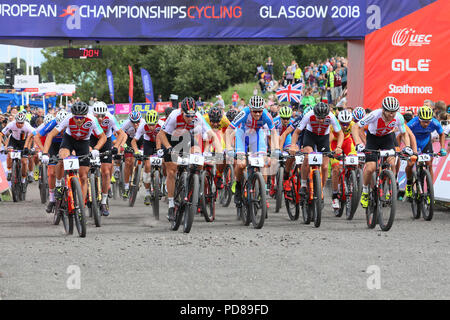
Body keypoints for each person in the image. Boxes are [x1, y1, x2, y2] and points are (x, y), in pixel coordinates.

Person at [156, 97, 222, 221]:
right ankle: (171, 205)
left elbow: (211, 134)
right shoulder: (174, 116)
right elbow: (161, 134)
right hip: (171, 139)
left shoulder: (198, 117)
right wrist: (169, 147)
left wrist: (219, 152)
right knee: (171, 171)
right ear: (182, 112)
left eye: (193, 115)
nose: (191, 118)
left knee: (198, 159)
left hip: (187, 137)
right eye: (188, 116)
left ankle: (194, 184)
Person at [41, 101, 107, 207]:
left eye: (81, 118)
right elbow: (50, 135)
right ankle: (58, 184)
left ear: (86, 115)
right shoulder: (68, 118)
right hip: (69, 140)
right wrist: (45, 153)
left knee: (84, 177)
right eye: (76, 117)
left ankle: (81, 206)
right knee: (62, 158)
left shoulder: (92, 120)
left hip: (84, 142)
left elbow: (103, 137)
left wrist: (96, 149)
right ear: (73, 115)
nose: (79, 120)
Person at [352, 96, 412, 208]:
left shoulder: (398, 117)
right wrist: (358, 143)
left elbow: (404, 134)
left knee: (391, 162)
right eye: (389, 112)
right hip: (373, 139)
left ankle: (389, 186)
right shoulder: (375, 114)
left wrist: (408, 146)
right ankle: (365, 191)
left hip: (387, 138)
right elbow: (355, 127)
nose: (392, 114)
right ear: (383, 110)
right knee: (370, 168)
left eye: (394, 112)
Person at [225, 95, 279, 206]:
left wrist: (276, 148)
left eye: (259, 111)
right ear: (250, 109)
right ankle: (239, 186)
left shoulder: (267, 115)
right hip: (242, 136)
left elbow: (273, 133)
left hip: (257, 136)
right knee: (241, 164)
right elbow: (228, 130)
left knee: (263, 163)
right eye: (255, 111)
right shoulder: (244, 113)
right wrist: (229, 147)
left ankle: (262, 193)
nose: (257, 114)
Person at [289, 103, 344, 197]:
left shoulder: (331, 116)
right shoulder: (308, 115)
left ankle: (320, 188)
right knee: (307, 157)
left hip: (323, 138)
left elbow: (340, 134)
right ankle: (303, 184)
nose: (321, 120)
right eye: (319, 118)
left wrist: (338, 147)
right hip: (310, 136)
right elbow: (296, 132)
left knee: (325, 166)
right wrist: (293, 145)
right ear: (314, 114)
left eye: (323, 118)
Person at [91, 101, 126, 216]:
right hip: (91, 138)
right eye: (98, 116)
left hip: (106, 139)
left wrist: (116, 146)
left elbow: (121, 134)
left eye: (102, 116)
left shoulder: (110, 117)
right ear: (93, 113)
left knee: (106, 172)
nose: (100, 119)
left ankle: (104, 202)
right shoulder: (89, 117)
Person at [404, 106, 447, 200]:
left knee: (429, 164)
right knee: (410, 164)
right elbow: (404, 133)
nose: (426, 123)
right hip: (413, 142)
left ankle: (430, 191)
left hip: (425, 143)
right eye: (424, 121)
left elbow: (442, 134)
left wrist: (442, 148)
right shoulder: (413, 123)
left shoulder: (435, 122)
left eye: (428, 121)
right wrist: (407, 147)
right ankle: (409, 183)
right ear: (419, 119)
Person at [34, 110, 69, 213]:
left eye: (64, 127)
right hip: (53, 146)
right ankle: (52, 199)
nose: (62, 129)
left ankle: (70, 188)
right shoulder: (52, 123)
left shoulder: (71, 123)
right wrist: (44, 151)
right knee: (52, 172)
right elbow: (37, 137)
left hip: (66, 144)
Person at [132, 110, 161, 206]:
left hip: (160, 141)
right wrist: (136, 151)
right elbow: (133, 141)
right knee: (147, 166)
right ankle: (148, 192)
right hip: (148, 142)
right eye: (149, 125)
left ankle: (163, 183)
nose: (151, 127)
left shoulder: (162, 124)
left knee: (165, 162)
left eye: (153, 124)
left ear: (157, 122)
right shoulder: (142, 126)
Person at [330, 109, 357, 210]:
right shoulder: (332, 125)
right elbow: (329, 137)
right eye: (342, 124)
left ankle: (351, 179)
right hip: (334, 144)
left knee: (355, 160)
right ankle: (335, 195)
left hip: (347, 142)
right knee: (336, 169)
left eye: (347, 124)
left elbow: (356, 135)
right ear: (338, 121)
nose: (345, 126)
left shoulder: (353, 124)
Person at [0, 112, 37, 184]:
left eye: (21, 123)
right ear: (15, 121)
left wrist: (34, 147)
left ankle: (23, 178)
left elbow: (35, 136)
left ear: (24, 122)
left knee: (24, 162)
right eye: (18, 123)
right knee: (9, 154)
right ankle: (10, 171)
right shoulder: (11, 124)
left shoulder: (27, 126)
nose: (20, 125)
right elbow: (1, 134)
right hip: (13, 141)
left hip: (24, 142)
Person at [120, 110, 146, 198]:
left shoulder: (144, 123)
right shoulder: (126, 124)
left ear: (140, 120)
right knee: (128, 162)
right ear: (130, 120)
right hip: (129, 140)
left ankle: (140, 175)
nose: (135, 124)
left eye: (137, 122)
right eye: (133, 122)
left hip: (141, 140)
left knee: (144, 158)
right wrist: (123, 144)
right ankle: (126, 187)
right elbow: (119, 134)